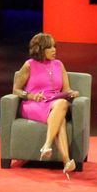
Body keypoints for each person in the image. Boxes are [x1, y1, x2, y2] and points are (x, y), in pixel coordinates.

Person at [12, 32, 78, 176]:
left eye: (55, 46)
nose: (54, 50)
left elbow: (66, 89)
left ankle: (57, 155)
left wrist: (72, 93)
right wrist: (30, 95)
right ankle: (63, 158)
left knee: (61, 104)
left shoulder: (59, 64)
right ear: (40, 49)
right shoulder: (29, 65)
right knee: (60, 114)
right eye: (50, 47)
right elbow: (16, 89)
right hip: (34, 105)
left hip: (53, 103)